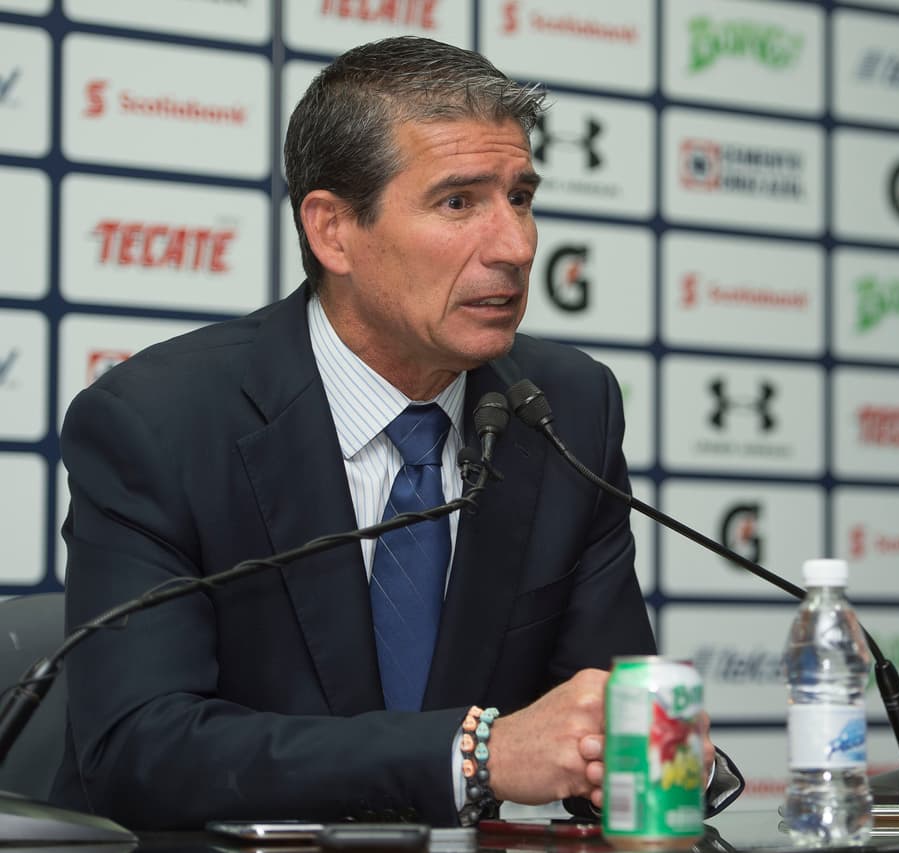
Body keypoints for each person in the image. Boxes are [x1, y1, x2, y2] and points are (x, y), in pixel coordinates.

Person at [52, 36, 740, 830]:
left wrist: (656, 753)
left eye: (520, 196)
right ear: (333, 231)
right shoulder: (161, 422)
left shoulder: (564, 407)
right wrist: (472, 755)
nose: (516, 246)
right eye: (458, 202)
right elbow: (141, 751)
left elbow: (605, 725)